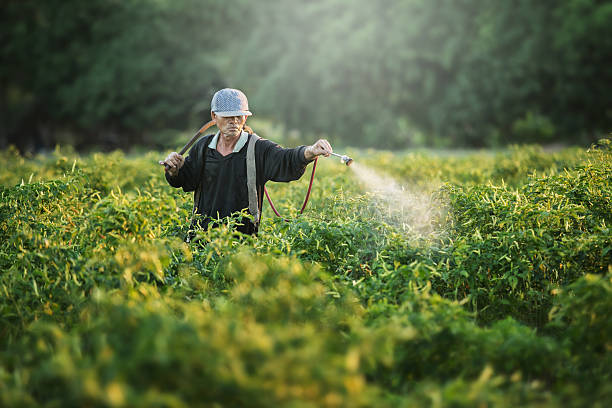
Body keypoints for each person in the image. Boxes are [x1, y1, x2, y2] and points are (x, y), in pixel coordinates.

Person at [160, 88, 332, 237]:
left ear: (245, 118)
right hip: (202, 237)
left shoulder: (258, 148)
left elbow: (285, 158)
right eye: (227, 116)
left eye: (238, 116)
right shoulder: (203, 147)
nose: (233, 121)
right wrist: (174, 171)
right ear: (214, 116)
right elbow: (186, 180)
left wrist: (310, 151)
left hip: (242, 241)